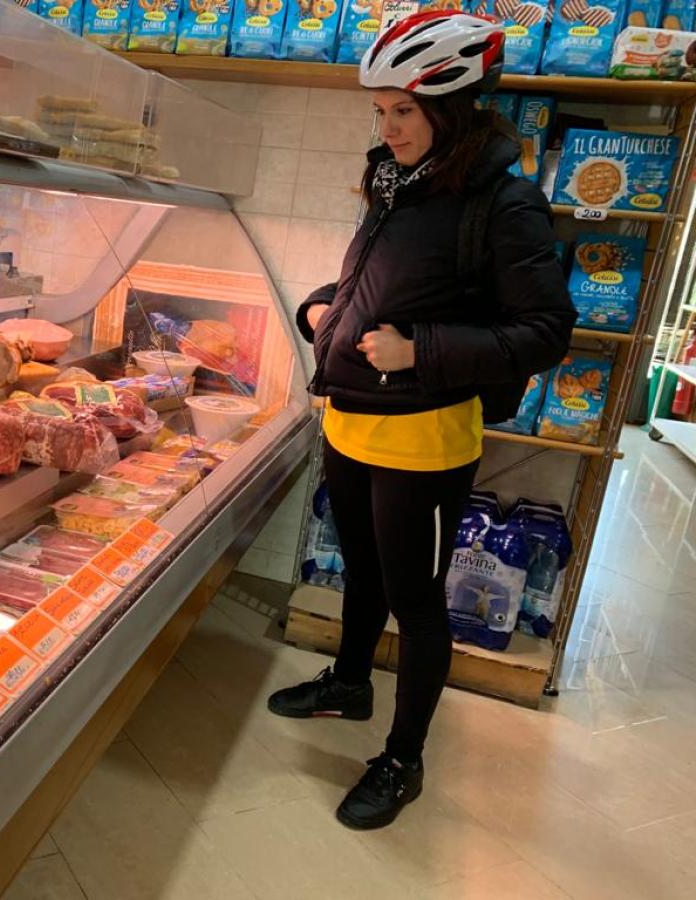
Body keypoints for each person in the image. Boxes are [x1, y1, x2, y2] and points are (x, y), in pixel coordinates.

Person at [268, 10, 575, 830]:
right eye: (381, 111)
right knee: (362, 573)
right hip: (353, 422)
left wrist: (420, 350)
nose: (388, 128)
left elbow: (546, 331)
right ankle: (349, 683)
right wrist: (322, 311)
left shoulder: (505, 203)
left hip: (425, 440)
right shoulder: (394, 183)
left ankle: (404, 759)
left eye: (404, 111)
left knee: (417, 601)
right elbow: (381, 287)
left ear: (453, 107)